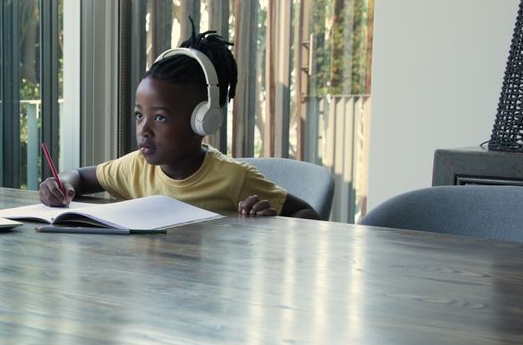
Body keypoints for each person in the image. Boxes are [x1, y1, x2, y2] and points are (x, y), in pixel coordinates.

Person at [39, 25, 320, 219]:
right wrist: (62, 184)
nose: (143, 129)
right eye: (140, 115)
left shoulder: (234, 179)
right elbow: (78, 175)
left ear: (203, 121)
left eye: (159, 117)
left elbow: (307, 214)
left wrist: (267, 221)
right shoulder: (134, 167)